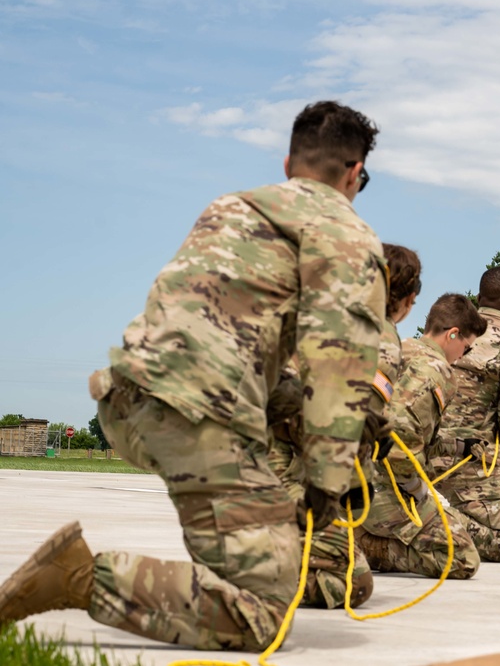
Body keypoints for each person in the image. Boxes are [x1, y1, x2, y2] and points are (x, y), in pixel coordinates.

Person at [0, 100, 387, 651]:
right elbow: (338, 369)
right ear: (354, 173)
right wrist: (329, 484)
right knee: (264, 615)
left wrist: (285, 406)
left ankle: (226, 559)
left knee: (263, 548)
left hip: (125, 400)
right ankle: (77, 576)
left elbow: (217, 339)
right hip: (200, 419)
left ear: (287, 164)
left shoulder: (231, 208)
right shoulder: (346, 234)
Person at [264, 243, 422, 610]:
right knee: (350, 583)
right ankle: (251, 565)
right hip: (279, 468)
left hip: (256, 449)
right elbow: (346, 428)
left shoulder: (326, 312)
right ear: (407, 300)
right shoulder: (381, 338)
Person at [357, 294, 487, 579]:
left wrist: (458, 447)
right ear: (453, 334)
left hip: (355, 482)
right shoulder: (436, 371)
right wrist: (418, 490)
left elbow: (400, 427)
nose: (463, 357)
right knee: (462, 559)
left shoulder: (401, 350)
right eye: (466, 348)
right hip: (386, 490)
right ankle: (363, 545)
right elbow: (399, 441)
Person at [433, 266, 500, 563]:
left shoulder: (449, 332)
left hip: (413, 448)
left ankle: (391, 517)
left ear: (479, 298)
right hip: (468, 459)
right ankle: (414, 520)